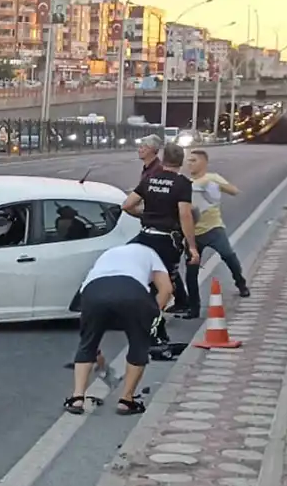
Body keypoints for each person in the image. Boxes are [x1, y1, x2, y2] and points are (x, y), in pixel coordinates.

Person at [65, 241, 173, 416]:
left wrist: (95, 348)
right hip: (132, 292)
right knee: (139, 344)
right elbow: (166, 289)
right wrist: (154, 314)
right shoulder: (151, 253)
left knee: (87, 343)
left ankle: (77, 398)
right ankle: (126, 400)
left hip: (94, 291)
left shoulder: (109, 252)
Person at [122, 140, 197, 314]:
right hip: (167, 241)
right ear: (181, 161)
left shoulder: (150, 180)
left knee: (146, 278)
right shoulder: (182, 183)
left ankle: (142, 315)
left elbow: (127, 205)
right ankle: (154, 324)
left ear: (163, 160)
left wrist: (145, 216)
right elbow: (185, 215)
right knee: (164, 285)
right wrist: (192, 246)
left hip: (146, 237)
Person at [182, 149, 249, 316]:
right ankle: (194, 308)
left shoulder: (212, 178)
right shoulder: (185, 184)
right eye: (188, 160)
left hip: (214, 229)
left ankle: (241, 283)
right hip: (192, 234)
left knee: (228, 256)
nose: (190, 163)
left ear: (204, 162)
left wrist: (216, 186)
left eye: (194, 160)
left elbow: (234, 191)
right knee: (191, 271)